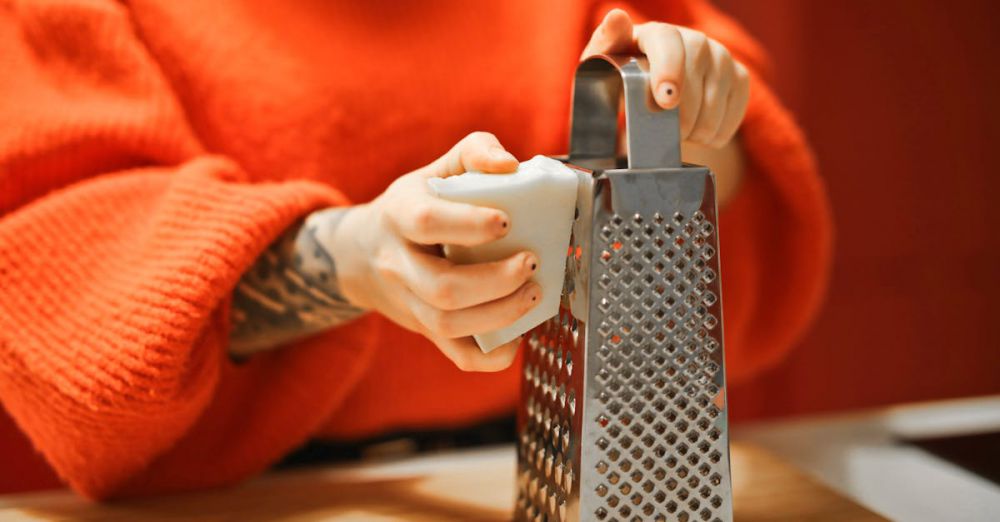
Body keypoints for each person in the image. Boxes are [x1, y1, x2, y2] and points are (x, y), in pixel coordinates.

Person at [0, 0, 831, 498]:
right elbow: (62, 272)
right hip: (245, 498)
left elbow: (720, 185)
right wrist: (357, 255)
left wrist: (688, 121)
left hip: (535, 470)